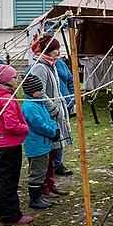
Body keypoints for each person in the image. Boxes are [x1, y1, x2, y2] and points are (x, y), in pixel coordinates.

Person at [0, 64, 32, 225]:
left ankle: (0, 211)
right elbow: (12, 125)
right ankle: (11, 215)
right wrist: (25, 128)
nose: (16, 78)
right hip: (9, 145)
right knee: (9, 181)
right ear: (5, 80)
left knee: (0, 179)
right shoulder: (6, 99)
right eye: (13, 76)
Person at [30, 34, 73, 199]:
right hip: (49, 115)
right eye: (56, 49)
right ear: (49, 50)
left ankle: (50, 184)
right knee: (48, 154)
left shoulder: (52, 65)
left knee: (54, 152)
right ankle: (44, 187)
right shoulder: (40, 67)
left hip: (56, 114)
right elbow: (38, 92)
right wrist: (53, 108)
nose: (58, 52)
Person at [21, 74, 59, 210]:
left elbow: (48, 119)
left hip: (43, 144)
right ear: (32, 91)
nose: (41, 92)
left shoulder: (39, 102)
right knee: (37, 172)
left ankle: (39, 196)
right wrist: (51, 132)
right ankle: (34, 199)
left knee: (41, 170)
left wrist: (55, 128)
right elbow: (38, 124)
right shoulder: (30, 106)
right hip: (36, 145)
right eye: (39, 90)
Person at [53, 55, 76, 176]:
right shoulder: (38, 66)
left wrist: (71, 98)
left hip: (65, 103)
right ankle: (52, 165)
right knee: (54, 134)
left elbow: (70, 80)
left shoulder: (60, 63)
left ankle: (58, 164)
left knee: (61, 134)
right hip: (52, 106)